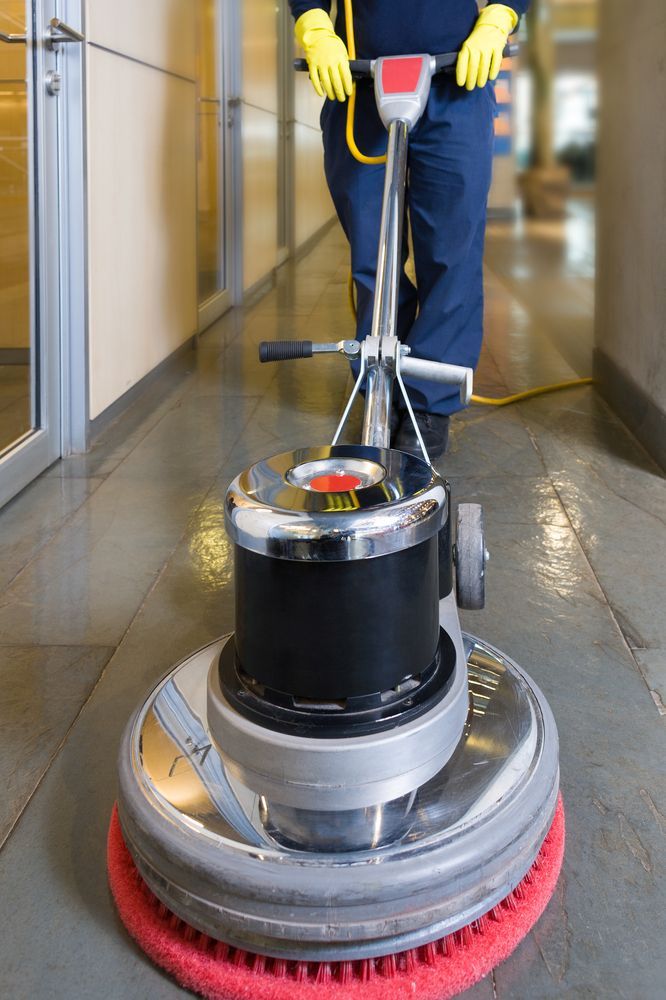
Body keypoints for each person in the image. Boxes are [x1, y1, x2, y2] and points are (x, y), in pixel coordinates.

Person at [289, 1, 528, 458]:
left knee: (451, 252)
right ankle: (381, 386)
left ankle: (427, 404)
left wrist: (500, 18)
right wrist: (314, 25)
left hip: (457, 80)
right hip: (359, 83)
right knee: (373, 253)